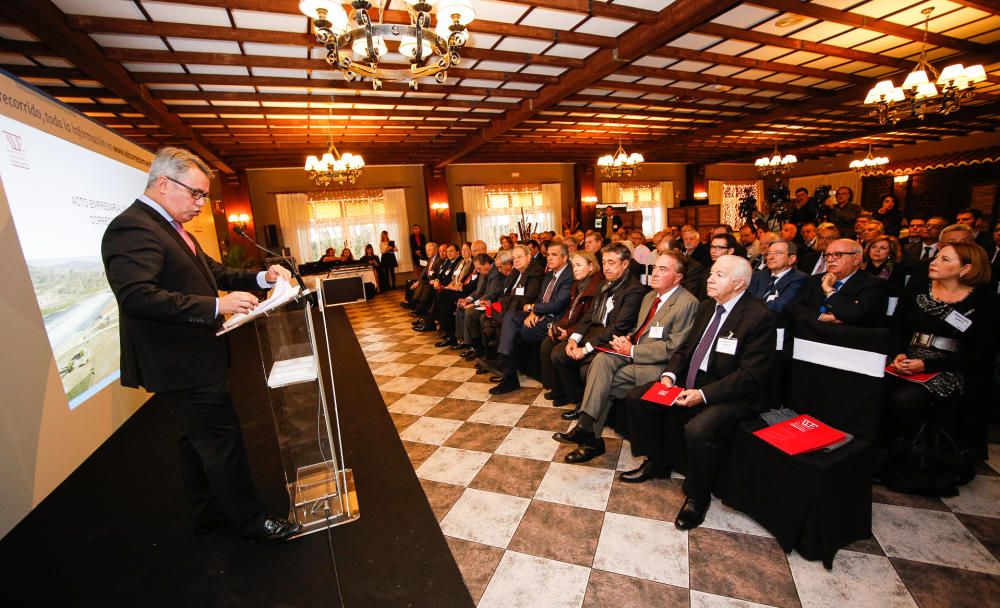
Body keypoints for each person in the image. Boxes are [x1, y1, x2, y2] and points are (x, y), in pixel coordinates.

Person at [101, 147, 299, 542]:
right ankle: (250, 521)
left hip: (193, 356)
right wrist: (216, 306)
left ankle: (206, 512)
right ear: (162, 183)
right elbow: (137, 296)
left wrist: (263, 278)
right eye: (195, 194)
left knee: (197, 440)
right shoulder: (133, 228)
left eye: (203, 196)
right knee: (222, 442)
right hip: (180, 361)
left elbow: (215, 272)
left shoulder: (172, 228)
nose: (200, 203)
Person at [619, 255, 776, 530]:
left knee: (698, 429)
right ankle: (657, 461)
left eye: (719, 275)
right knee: (638, 398)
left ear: (739, 283)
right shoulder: (707, 307)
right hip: (691, 382)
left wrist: (702, 395)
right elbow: (685, 350)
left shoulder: (759, 317)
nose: (710, 279)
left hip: (730, 392)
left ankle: (697, 496)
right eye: (711, 272)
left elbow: (749, 376)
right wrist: (668, 377)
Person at [555, 252, 699, 462]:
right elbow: (639, 328)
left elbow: (675, 348)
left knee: (603, 384)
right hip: (632, 351)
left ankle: (590, 439)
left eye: (663, 269)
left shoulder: (687, 303)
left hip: (656, 363)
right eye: (655, 267)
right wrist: (625, 340)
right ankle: (586, 427)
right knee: (601, 360)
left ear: (678, 277)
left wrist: (631, 350)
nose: (655, 273)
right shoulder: (650, 296)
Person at [885, 242, 995, 463]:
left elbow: (981, 352)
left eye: (945, 259)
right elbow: (897, 328)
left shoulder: (985, 301)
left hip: (951, 366)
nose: (934, 262)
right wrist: (898, 354)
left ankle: (909, 458)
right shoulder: (917, 289)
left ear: (966, 269)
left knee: (906, 398)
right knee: (872, 386)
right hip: (908, 359)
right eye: (936, 257)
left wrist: (927, 366)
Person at [547, 242, 646, 408]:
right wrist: (573, 339)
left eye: (612, 263)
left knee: (587, 368)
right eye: (604, 262)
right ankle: (578, 398)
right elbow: (588, 316)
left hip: (612, 338)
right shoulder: (603, 284)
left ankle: (586, 407)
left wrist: (584, 349)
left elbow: (618, 327)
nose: (606, 267)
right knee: (558, 353)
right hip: (595, 331)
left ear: (625, 264)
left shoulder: (634, 289)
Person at [490, 243, 573, 395]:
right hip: (540, 314)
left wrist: (533, 309)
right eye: (548, 254)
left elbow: (557, 305)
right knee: (509, 317)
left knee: (510, 329)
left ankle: (508, 373)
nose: (549, 258)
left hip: (553, 319)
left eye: (554, 255)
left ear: (565, 258)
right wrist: (534, 312)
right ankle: (508, 372)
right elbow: (541, 299)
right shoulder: (550, 275)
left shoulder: (568, 275)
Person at [539, 251, 603, 398]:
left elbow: (588, 318)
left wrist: (568, 333)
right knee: (547, 343)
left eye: (579, 265)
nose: (574, 269)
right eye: (573, 265)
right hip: (574, 328)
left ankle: (574, 395)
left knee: (557, 352)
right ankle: (558, 389)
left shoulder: (596, 287)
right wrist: (557, 325)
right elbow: (570, 311)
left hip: (587, 331)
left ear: (591, 266)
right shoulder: (578, 284)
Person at [789, 238, 889, 327]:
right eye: (827, 255)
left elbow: (854, 314)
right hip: (810, 338)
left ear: (856, 259)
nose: (830, 259)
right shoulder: (813, 280)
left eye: (837, 255)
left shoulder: (874, 284)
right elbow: (793, 308)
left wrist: (829, 290)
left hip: (846, 342)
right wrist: (821, 316)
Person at [748, 239, 807, 314]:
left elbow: (779, 306)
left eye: (778, 253)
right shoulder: (758, 275)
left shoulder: (800, 279)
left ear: (791, 259)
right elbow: (745, 300)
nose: (770, 257)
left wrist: (749, 310)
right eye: (769, 253)